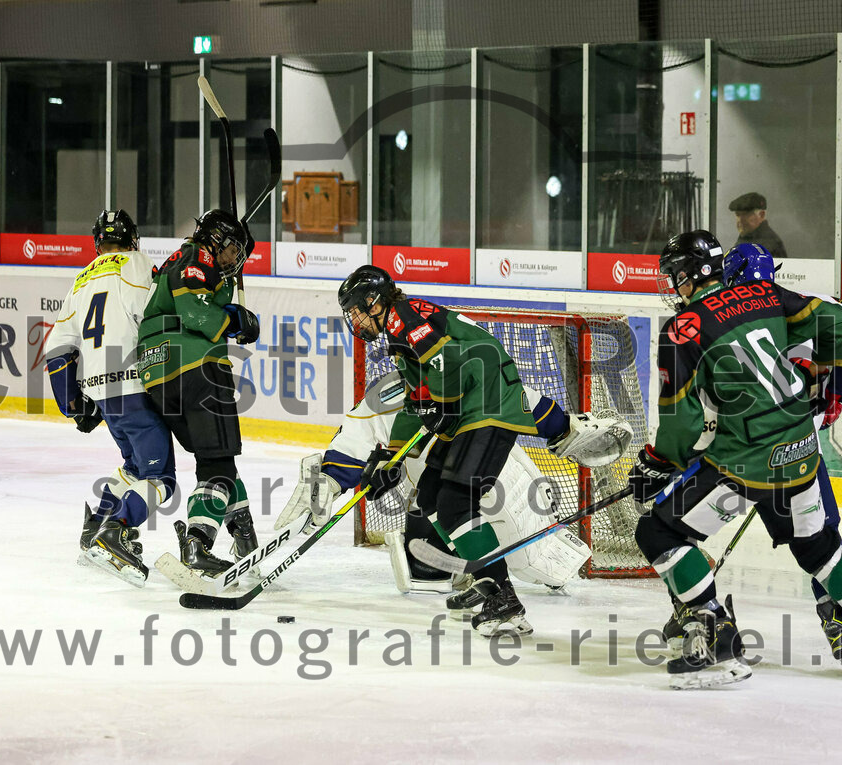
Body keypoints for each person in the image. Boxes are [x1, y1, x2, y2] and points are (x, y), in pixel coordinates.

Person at [628, 229, 842, 689]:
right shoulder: (764, 295)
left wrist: (657, 463)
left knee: (657, 530)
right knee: (818, 547)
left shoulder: (684, 329)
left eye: (674, 277)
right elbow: (838, 321)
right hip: (802, 450)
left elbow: (681, 422)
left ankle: (716, 641)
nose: (672, 287)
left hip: (746, 462)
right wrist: (827, 384)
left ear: (690, 275)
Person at [273, 370, 631, 598]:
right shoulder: (397, 389)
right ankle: (493, 582)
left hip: (491, 470)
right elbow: (356, 432)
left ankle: (515, 571)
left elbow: (518, 396)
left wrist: (565, 427)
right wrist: (328, 480)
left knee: (528, 554)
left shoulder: (467, 375)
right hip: (454, 482)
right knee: (438, 519)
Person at [334, 265, 546, 636]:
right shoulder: (400, 333)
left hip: (489, 403)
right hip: (469, 408)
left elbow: (446, 362)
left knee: (455, 503)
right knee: (431, 495)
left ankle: (504, 599)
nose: (354, 320)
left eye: (355, 310)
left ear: (373, 302)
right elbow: (417, 401)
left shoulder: (403, 317)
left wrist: (442, 402)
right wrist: (391, 457)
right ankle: (485, 580)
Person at [721, 242, 842, 674]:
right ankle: (841, 606)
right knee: (813, 518)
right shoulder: (782, 311)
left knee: (812, 517)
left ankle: (835, 612)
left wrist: (817, 405)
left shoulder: (771, 320)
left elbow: (812, 372)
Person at [45, 209, 176, 587]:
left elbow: (58, 349)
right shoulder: (135, 264)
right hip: (134, 384)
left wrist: (73, 404)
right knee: (161, 479)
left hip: (101, 392)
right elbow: (152, 315)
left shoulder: (81, 278)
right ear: (132, 238)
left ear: (97, 242)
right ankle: (114, 531)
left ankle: (96, 525)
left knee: (134, 465)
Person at [136, 209, 261, 580]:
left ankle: (243, 534)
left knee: (215, 460)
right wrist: (235, 321)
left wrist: (230, 296)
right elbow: (195, 312)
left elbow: (200, 296)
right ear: (216, 239)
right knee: (217, 465)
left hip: (158, 375)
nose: (234, 257)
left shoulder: (189, 262)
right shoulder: (196, 256)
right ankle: (198, 544)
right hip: (196, 365)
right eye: (233, 248)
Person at [728, 192, 788, 259]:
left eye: (746, 214)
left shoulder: (769, 244)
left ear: (761, 215)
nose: (740, 220)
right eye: (738, 215)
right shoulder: (747, 237)